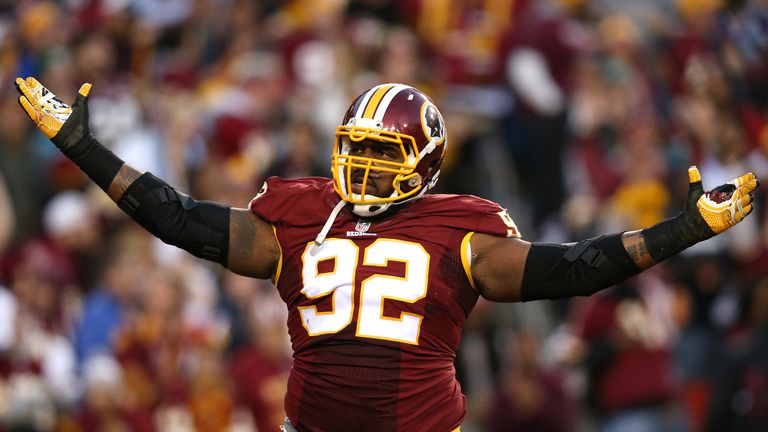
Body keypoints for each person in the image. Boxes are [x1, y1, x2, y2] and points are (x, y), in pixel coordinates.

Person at [14, 77, 759, 431]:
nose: (365, 167)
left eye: (383, 151)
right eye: (356, 151)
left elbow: (575, 267)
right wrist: (80, 144)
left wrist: (681, 231)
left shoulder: (461, 227)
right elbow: (178, 219)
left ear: (428, 160)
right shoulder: (301, 214)